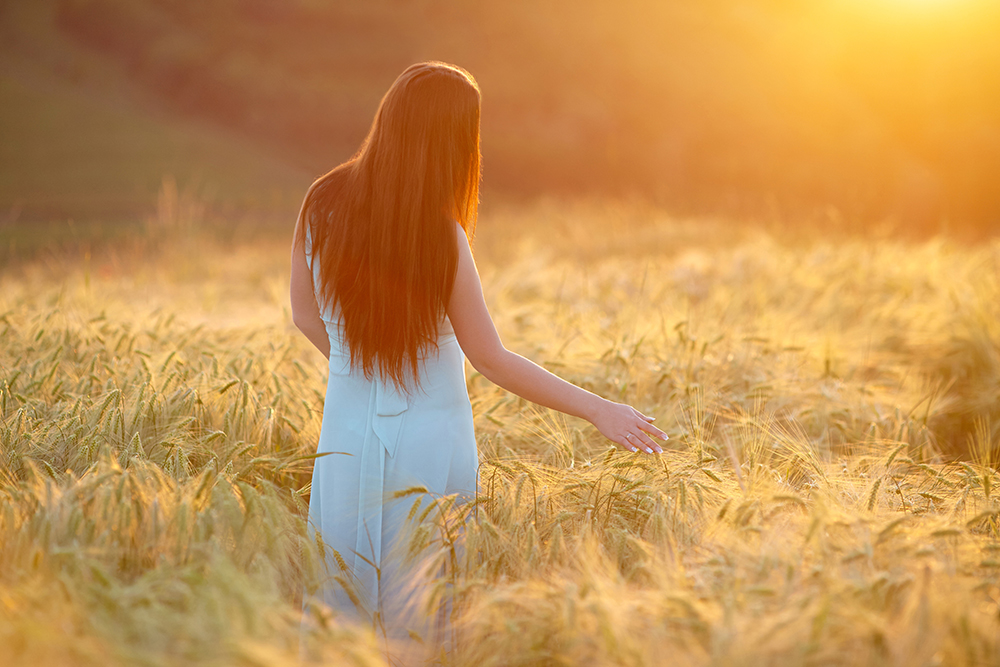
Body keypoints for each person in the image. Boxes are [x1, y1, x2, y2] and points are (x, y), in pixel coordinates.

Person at [290, 61, 667, 643]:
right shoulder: (440, 234)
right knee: (417, 616)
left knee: (341, 612)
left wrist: (359, 368)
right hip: (429, 443)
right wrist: (599, 409)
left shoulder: (321, 204)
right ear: (451, 143)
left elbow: (306, 317)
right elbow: (489, 357)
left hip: (344, 438)